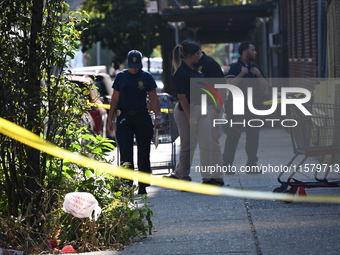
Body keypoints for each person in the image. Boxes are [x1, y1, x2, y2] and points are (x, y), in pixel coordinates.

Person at [107, 50, 162, 194]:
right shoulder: (121, 77)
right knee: (126, 152)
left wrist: (158, 116)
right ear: (127, 63)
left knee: (144, 152)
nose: (134, 68)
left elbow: (154, 98)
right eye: (131, 65)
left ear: (141, 64)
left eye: (136, 65)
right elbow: (114, 99)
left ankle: (143, 185)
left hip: (142, 116)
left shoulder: (146, 77)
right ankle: (127, 185)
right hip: (124, 117)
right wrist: (110, 119)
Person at [165, 39, 214, 184]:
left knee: (206, 144)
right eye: (198, 53)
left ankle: (208, 178)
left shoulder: (195, 69)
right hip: (186, 110)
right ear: (191, 55)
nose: (201, 55)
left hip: (201, 109)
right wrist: (190, 117)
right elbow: (182, 97)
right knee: (187, 145)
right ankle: (183, 176)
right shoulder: (181, 73)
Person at [223, 42, 268, 173]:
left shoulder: (256, 68)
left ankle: (252, 164)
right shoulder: (233, 68)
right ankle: (227, 164)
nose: (255, 52)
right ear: (244, 52)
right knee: (233, 136)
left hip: (253, 106)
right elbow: (229, 85)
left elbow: (264, 87)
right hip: (236, 107)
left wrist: (258, 75)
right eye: (252, 50)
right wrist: (242, 74)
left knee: (253, 137)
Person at [194, 51, 225, 185]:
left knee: (212, 141)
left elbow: (222, 87)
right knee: (204, 144)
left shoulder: (210, 64)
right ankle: (208, 175)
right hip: (201, 107)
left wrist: (217, 108)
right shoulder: (195, 64)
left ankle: (217, 176)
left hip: (212, 107)